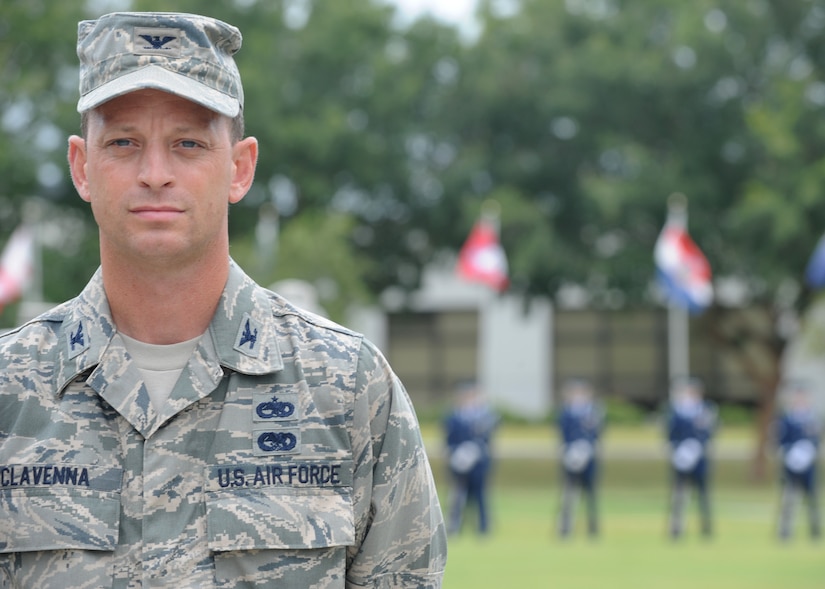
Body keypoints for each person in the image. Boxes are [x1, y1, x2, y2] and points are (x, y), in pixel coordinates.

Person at [0, 12, 446, 588]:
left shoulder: (348, 387)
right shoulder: (10, 390)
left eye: (188, 143)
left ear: (239, 168)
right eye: (123, 142)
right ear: (83, 168)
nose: (155, 173)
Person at [444, 380, 499, 536]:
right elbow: (449, 438)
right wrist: (456, 453)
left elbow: (487, 439)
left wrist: (474, 450)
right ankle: (455, 526)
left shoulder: (484, 415)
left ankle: (483, 527)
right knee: (457, 495)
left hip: (478, 463)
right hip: (459, 462)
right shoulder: (453, 416)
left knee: (480, 495)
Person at [665, 377, 717, 540]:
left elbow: (709, 433)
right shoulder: (677, 411)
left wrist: (697, 447)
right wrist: (678, 451)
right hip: (681, 458)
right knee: (679, 493)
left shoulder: (706, 410)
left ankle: (706, 527)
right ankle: (676, 527)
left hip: (699, 458)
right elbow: (671, 434)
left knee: (703, 493)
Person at [556, 379, 604, 539]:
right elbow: (562, 434)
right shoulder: (566, 413)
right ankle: (565, 527)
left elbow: (597, 434)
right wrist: (568, 451)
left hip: (589, 458)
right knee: (569, 493)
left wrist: (588, 448)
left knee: (590, 493)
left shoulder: (594, 412)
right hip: (571, 457)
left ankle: (593, 528)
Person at [775, 381, 822, 541]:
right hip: (791, 464)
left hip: (808, 464)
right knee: (789, 497)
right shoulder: (787, 418)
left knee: (812, 497)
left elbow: (816, 439)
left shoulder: (812, 417)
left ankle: (815, 530)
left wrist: (808, 451)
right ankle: (785, 531)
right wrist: (790, 454)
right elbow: (780, 439)